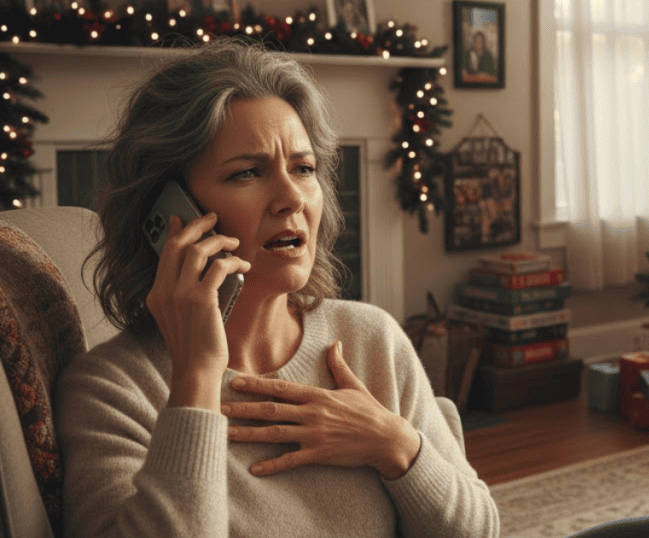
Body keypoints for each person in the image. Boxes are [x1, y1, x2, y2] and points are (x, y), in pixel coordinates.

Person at [57, 38, 499, 537]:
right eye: (247, 172)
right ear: (169, 213)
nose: (292, 198)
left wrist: (393, 444)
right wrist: (198, 378)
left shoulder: (370, 339)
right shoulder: (112, 391)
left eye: (304, 169)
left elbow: (479, 531)